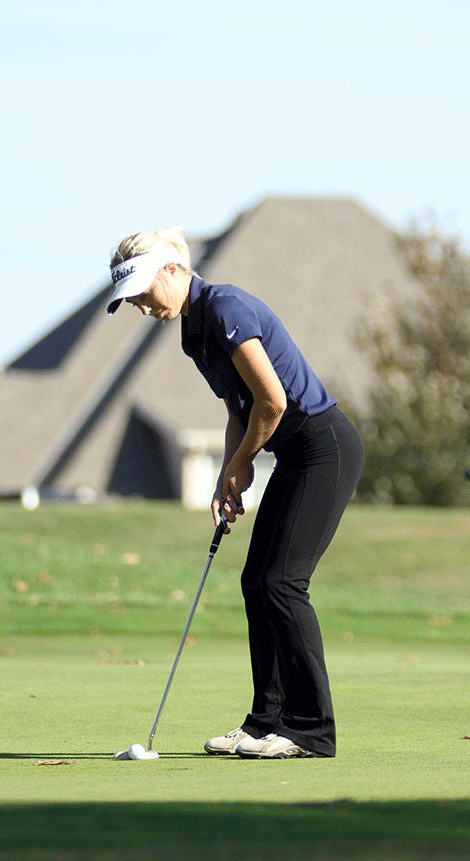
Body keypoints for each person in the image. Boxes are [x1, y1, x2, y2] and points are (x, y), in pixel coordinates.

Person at [107, 225, 364, 759]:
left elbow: (271, 402)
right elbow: (237, 407)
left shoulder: (225, 309)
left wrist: (244, 462)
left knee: (282, 583)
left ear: (171, 270)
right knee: (257, 581)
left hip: (324, 446)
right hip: (296, 453)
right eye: (129, 299)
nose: (139, 305)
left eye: (142, 292)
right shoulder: (193, 331)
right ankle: (262, 723)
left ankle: (310, 731)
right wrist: (228, 472)